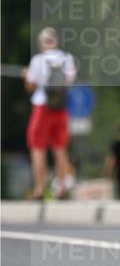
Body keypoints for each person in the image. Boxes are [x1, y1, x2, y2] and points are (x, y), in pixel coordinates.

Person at [23, 27, 77, 200]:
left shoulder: (38, 60)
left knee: (38, 148)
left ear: (41, 43)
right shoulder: (67, 59)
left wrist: (27, 76)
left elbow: (31, 86)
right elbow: (70, 81)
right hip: (61, 109)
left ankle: (39, 189)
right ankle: (61, 188)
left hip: (42, 107)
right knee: (60, 149)